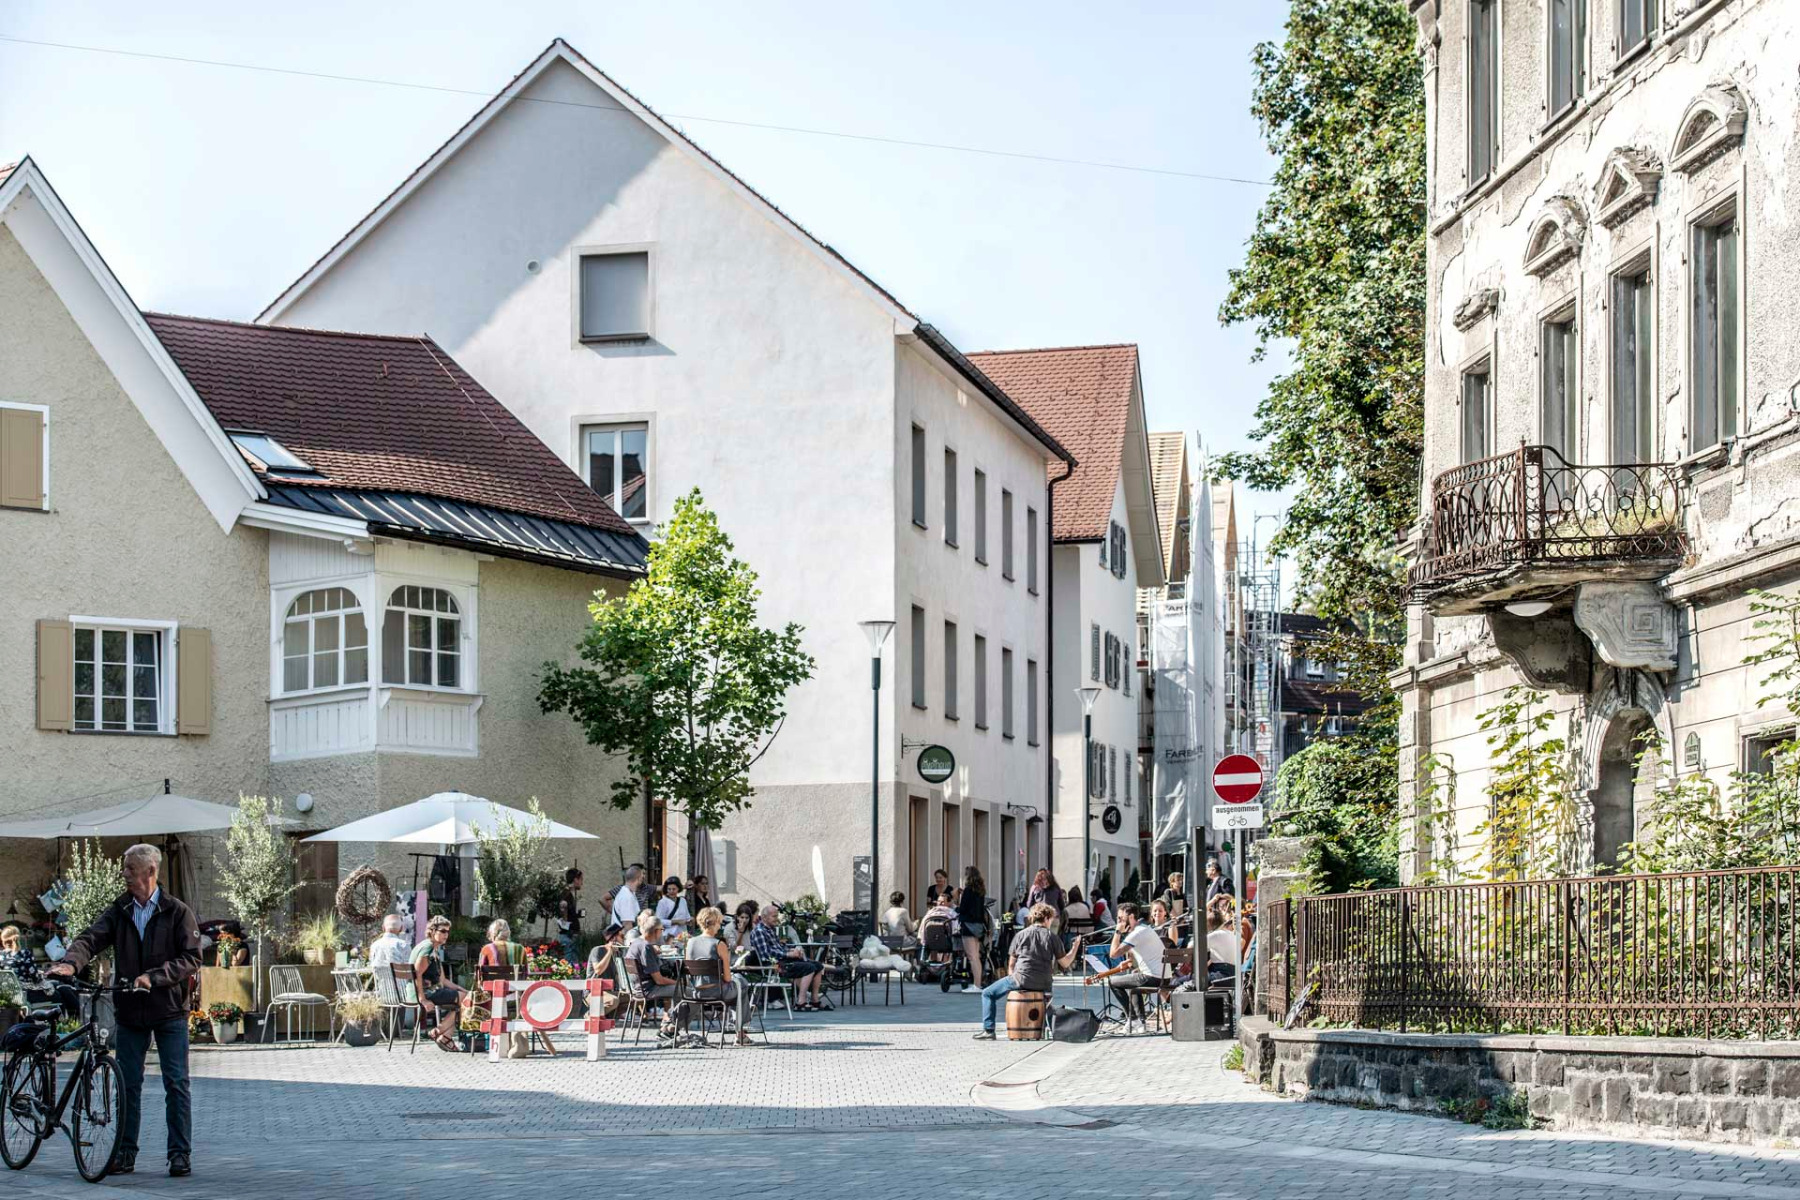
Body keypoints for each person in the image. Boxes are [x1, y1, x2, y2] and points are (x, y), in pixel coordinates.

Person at [49, 843, 200, 1178]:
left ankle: (179, 1155)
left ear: (150, 871)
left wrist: (155, 977)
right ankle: (126, 1153)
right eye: (125, 868)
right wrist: (70, 964)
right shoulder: (120, 910)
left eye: (130, 868)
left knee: (176, 1083)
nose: (125, 874)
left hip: (170, 1010)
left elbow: (191, 958)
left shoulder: (177, 912)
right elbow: (90, 938)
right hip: (130, 1010)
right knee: (127, 1083)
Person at [972, 902, 1081, 1039]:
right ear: (1047, 918)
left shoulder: (1020, 935)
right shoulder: (1052, 937)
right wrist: (1075, 947)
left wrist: (1013, 984)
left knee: (987, 993)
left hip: (1021, 980)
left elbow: (1011, 964)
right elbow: (1065, 963)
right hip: (1044, 983)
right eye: (1051, 919)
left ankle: (989, 1031)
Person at [686, 906, 751, 1046]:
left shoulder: (690, 942)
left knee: (738, 987)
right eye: (720, 922)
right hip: (717, 991)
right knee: (741, 984)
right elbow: (727, 978)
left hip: (696, 992)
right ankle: (740, 1032)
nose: (720, 925)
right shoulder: (719, 944)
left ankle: (740, 1032)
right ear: (715, 923)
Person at [747, 904, 829, 1012]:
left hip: (782, 960)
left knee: (818, 966)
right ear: (764, 917)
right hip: (773, 965)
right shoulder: (759, 931)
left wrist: (791, 951)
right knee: (809, 967)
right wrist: (787, 955)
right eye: (774, 916)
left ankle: (814, 1000)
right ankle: (801, 1002)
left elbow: (779, 947)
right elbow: (766, 954)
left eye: (777, 916)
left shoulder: (770, 929)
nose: (777, 919)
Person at [410, 915, 466, 1051]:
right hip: (424, 993)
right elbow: (416, 973)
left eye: (447, 931)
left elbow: (443, 980)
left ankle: (445, 1036)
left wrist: (462, 990)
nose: (446, 935)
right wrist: (422, 999)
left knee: (467, 998)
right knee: (469, 1001)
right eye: (442, 931)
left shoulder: (433, 949)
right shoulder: (428, 948)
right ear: (433, 931)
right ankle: (440, 1032)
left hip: (430, 991)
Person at [1104, 902, 1166, 1024]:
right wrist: (1129, 961)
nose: (1119, 922)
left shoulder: (1136, 933)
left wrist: (1117, 932)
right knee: (1133, 980)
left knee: (1113, 982)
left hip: (1154, 977)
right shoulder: (1144, 929)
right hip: (1163, 977)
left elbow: (1113, 954)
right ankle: (1140, 1022)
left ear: (1131, 917)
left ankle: (1132, 1019)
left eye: (1121, 918)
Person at [625, 912, 681, 1036]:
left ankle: (668, 1023)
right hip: (648, 989)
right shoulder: (646, 948)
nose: (662, 932)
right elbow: (659, 980)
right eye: (661, 929)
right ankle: (671, 1029)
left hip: (638, 987)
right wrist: (678, 983)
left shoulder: (636, 944)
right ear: (656, 931)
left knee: (680, 989)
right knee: (686, 992)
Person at [955, 867, 989, 992]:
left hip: (968, 925)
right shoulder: (980, 891)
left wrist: (955, 904)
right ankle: (978, 983)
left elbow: (963, 909)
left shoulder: (968, 891)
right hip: (978, 925)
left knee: (972, 956)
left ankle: (976, 985)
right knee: (976, 956)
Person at [368, 914, 411, 1003]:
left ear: (383, 927)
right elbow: (410, 970)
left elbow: (371, 967)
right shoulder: (403, 945)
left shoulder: (374, 945)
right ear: (401, 928)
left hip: (382, 994)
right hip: (404, 995)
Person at [557, 868, 585, 962]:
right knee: (570, 964)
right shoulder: (566, 894)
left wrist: (576, 915)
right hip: (569, 935)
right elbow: (563, 905)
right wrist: (567, 927)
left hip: (570, 934)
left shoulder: (568, 894)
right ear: (575, 879)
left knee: (573, 964)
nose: (582, 882)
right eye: (581, 879)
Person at [654, 875, 692, 940]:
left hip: (682, 935)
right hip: (668, 936)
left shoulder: (683, 901)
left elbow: (687, 917)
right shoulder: (662, 902)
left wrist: (689, 920)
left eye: (674, 889)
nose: (671, 891)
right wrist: (675, 922)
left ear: (678, 889)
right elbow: (658, 921)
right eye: (669, 889)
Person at [611, 865, 646, 931]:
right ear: (638, 878)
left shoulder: (628, 893)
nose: (643, 878)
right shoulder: (627, 896)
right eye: (642, 876)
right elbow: (627, 924)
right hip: (625, 939)